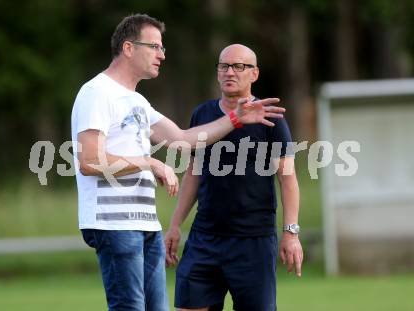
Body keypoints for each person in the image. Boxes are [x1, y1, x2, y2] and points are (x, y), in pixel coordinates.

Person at [71, 14, 286, 311]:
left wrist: (235, 119)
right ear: (129, 48)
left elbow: (183, 139)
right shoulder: (97, 93)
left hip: (145, 225)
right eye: (155, 46)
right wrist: (150, 163)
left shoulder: (136, 101)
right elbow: (90, 161)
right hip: (115, 225)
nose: (162, 54)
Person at [165, 44, 303, 311]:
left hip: (253, 241)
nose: (230, 72)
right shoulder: (202, 114)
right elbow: (194, 172)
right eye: (224, 66)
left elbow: (288, 179)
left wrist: (291, 233)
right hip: (205, 237)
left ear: (254, 74)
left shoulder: (271, 118)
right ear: (217, 72)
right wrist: (174, 225)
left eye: (239, 66)